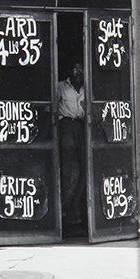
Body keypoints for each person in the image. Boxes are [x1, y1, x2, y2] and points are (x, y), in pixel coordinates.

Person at [58, 62, 86, 237]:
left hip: (82, 127)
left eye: (81, 68)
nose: (78, 71)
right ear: (69, 70)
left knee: (83, 172)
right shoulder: (60, 86)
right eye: (75, 68)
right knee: (72, 172)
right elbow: (50, 107)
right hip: (66, 126)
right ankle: (62, 213)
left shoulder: (87, 87)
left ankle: (74, 217)